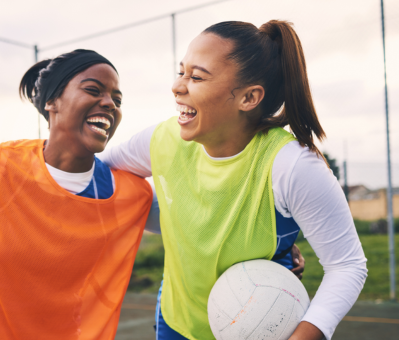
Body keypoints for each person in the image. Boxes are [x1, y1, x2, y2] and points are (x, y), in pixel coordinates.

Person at [96, 21, 367, 340]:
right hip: (177, 321)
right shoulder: (162, 140)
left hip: (258, 327)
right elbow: (100, 179)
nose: (177, 86)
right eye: (181, 71)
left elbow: (347, 266)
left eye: (196, 77)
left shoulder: (291, 166)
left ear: (249, 97)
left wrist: (308, 334)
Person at [0, 49, 159, 339]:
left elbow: (190, 218)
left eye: (117, 100)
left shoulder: (129, 193)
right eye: (93, 90)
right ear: (52, 102)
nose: (109, 103)